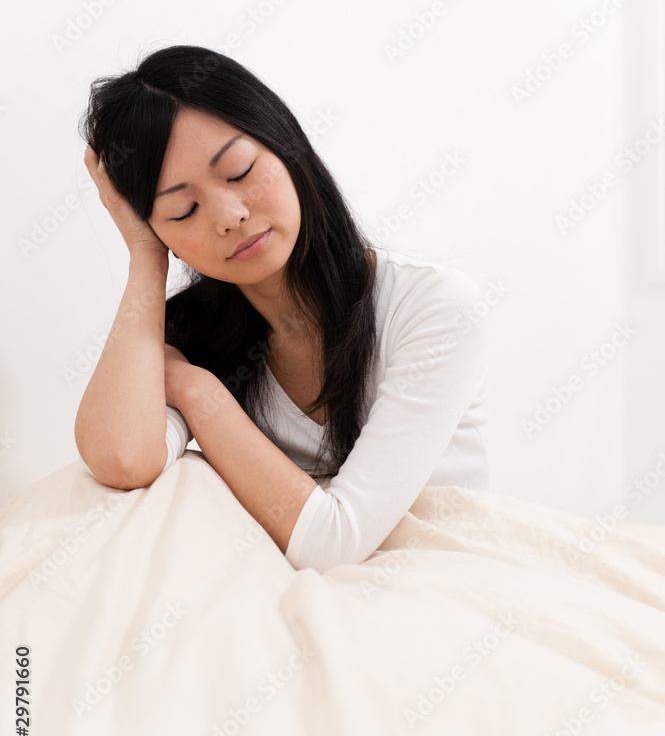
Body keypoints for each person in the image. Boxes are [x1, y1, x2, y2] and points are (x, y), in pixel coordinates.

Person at [75, 44, 489, 572]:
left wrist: (194, 389)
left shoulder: (433, 308)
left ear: (287, 144)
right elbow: (121, 457)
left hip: (444, 589)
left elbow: (335, 542)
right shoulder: (196, 334)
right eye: (184, 210)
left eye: (240, 170)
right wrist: (144, 259)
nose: (229, 215)